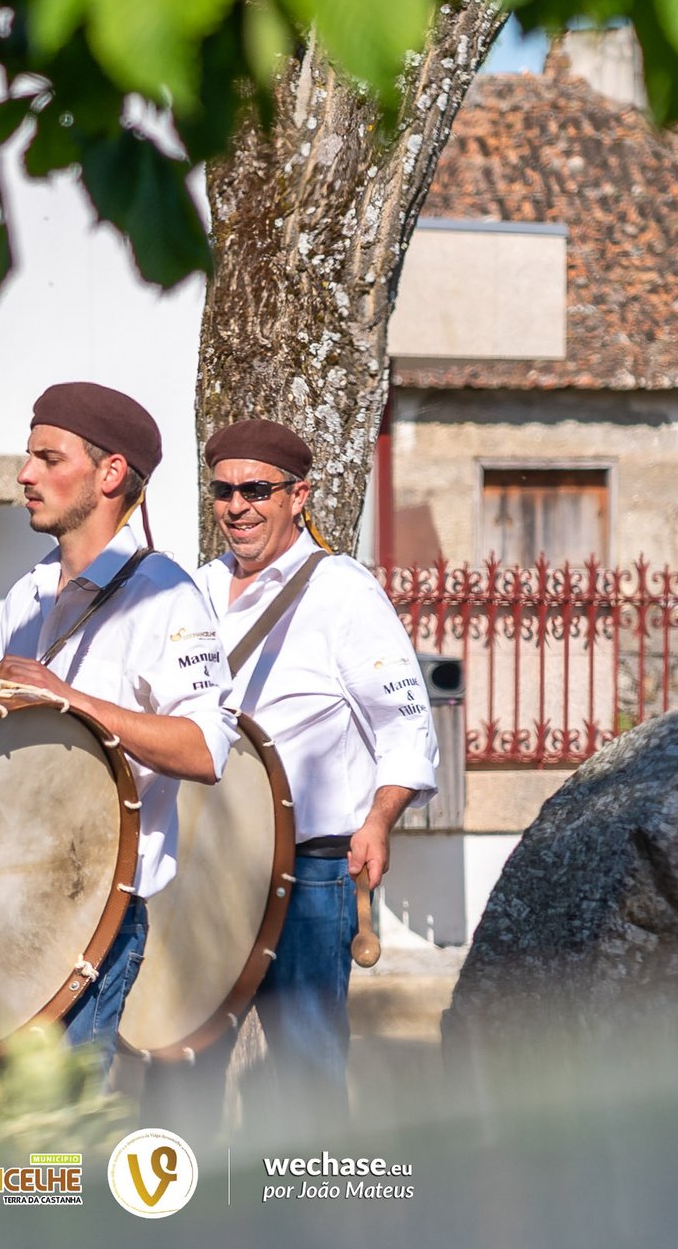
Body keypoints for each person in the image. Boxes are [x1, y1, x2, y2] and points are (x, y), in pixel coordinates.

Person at [193, 417, 439, 1126]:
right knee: (186, 1063)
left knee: (304, 1071)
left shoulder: (342, 591)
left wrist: (381, 819)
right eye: (223, 490)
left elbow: (404, 721)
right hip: (209, 868)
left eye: (257, 490)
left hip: (310, 871)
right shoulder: (197, 592)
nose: (237, 506)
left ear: (298, 496)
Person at [0, 381, 236, 1076]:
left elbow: (204, 747)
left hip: (95, 908)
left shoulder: (166, 594)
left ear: (110, 473)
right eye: (28, 455)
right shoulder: (26, 594)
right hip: (5, 898)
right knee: (6, 1135)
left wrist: (71, 702)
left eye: (48, 457)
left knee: (58, 1145)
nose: (25, 474)